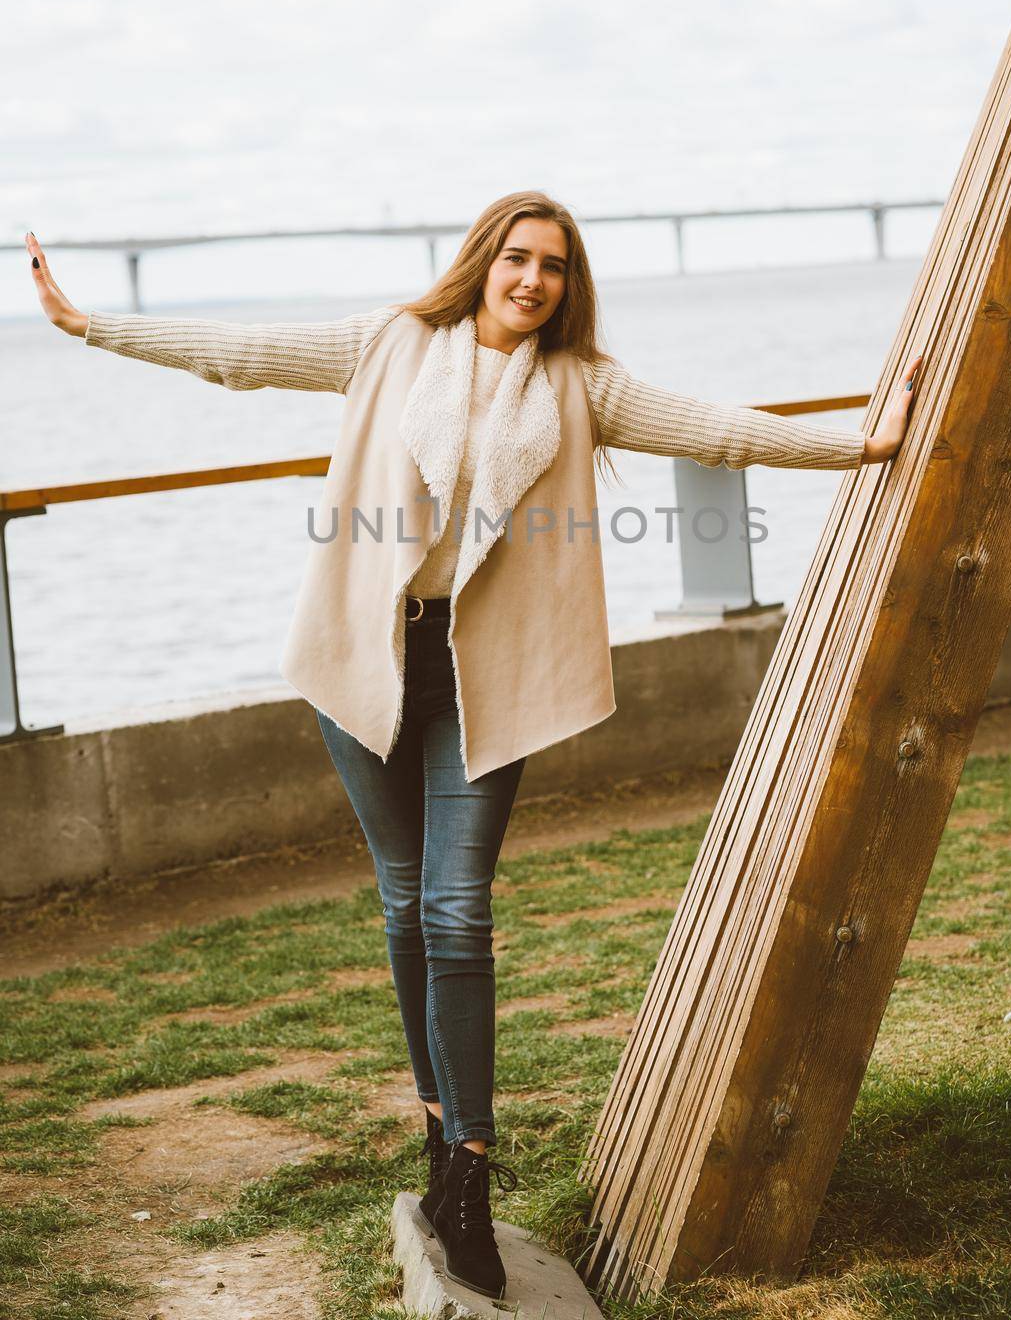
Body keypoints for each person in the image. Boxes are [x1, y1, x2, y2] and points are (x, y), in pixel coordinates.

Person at [26, 193, 920, 1301]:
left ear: (567, 284)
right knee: (403, 899)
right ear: (482, 263)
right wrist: (90, 325)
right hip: (368, 658)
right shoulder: (392, 342)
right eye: (516, 256)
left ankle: (473, 1169)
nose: (531, 278)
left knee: (457, 905)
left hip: (480, 676)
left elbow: (713, 428)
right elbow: (241, 353)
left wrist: (857, 444)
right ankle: (438, 1132)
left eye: (551, 265)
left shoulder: (580, 386)